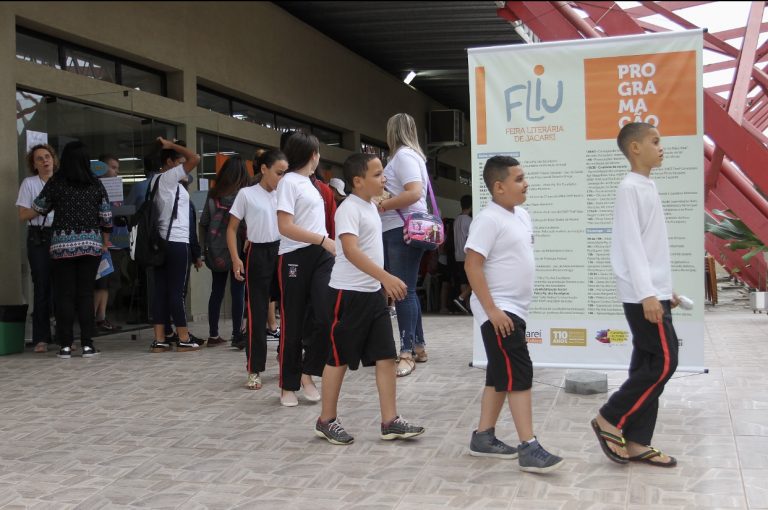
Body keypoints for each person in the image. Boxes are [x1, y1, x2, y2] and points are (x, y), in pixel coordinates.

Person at [315, 153, 425, 444]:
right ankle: (326, 420)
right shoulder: (348, 209)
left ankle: (390, 421)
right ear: (357, 181)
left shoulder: (371, 206)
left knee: (386, 357)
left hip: (373, 294)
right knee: (337, 358)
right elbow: (350, 250)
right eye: (377, 174)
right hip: (347, 295)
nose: (384, 179)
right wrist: (386, 277)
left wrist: (381, 282)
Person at [464, 155, 564, 473]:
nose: (526, 183)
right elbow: (472, 264)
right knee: (520, 374)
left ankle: (483, 437)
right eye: (519, 178)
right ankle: (528, 446)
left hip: (513, 310)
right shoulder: (488, 219)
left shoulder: (522, 215)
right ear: (499, 186)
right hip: (500, 311)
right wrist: (492, 310)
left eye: (524, 177)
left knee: (499, 375)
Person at [591, 122, 680, 468]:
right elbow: (630, 246)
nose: (661, 147)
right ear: (635, 149)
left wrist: (661, 290)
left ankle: (638, 442)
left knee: (646, 363)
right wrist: (647, 294)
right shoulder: (629, 187)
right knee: (665, 362)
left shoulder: (646, 185)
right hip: (641, 295)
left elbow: (650, 248)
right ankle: (610, 418)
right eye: (655, 141)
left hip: (651, 292)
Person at [20, 141, 112, 359]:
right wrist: (104, 240)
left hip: (61, 246)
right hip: (90, 245)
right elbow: (107, 218)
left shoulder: (56, 183)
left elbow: (39, 208)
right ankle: (88, 344)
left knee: (64, 295)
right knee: (85, 294)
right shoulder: (96, 184)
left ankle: (65, 345)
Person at [276, 132, 334, 407]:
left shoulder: (313, 184)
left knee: (325, 318)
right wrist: (323, 239)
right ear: (312, 154)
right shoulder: (288, 182)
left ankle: (308, 372)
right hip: (295, 255)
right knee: (294, 323)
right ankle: (288, 384)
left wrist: (325, 243)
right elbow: (285, 226)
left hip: (322, 255)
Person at [374, 113, 430, 377]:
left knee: (401, 292)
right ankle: (418, 345)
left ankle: (405, 352)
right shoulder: (414, 155)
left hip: (401, 230)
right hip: (406, 229)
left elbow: (414, 192)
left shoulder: (404, 156)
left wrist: (382, 204)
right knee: (409, 290)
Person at [229, 150, 287, 390]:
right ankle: (254, 368)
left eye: (285, 173)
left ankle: (286, 359)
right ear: (264, 169)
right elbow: (232, 229)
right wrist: (235, 259)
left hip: (284, 252)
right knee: (257, 312)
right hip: (258, 254)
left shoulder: (286, 194)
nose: (282, 178)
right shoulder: (246, 194)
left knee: (290, 309)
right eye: (278, 173)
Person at [147, 138, 202, 353]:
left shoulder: (155, 180)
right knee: (176, 292)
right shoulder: (169, 178)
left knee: (160, 291)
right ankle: (183, 337)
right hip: (177, 241)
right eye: (179, 162)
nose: (184, 167)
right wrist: (172, 145)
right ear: (170, 162)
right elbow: (195, 158)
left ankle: (159, 339)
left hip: (160, 242)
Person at [199, 156, 249, 347]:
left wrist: (203, 250)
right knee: (238, 292)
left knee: (216, 291)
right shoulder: (244, 194)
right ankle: (237, 334)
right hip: (238, 249)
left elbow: (203, 223)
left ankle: (213, 335)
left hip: (216, 250)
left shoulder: (213, 195)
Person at [16, 144, 58, 353]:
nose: (45, 161)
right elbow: (22, 215)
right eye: (39, 159)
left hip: (60, 234)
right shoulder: (29, 183)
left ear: (53, 159)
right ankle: (41, 337)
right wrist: (41, 207)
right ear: (34, 164)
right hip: (38, 236)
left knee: (62, 286)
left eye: (47, 157)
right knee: (42, 286)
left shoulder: (62, 182)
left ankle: (63, 335)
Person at [93, 153, 123, 333]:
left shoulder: (115, 190)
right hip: (98, 241)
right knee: (99, 282)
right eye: (112, 167)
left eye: (117, 169)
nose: (115, 172)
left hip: (115, 242)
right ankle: (90, 318)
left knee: (110, 283)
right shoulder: (94, 188)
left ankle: (101, 317)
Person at [452, 194, 473, 314]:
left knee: (464, 281)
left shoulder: (456, 220)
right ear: (471, 205)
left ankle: (465, 306)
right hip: (467, 255)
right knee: (474, 280)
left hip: (457, 255)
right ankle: (461, 298)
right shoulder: (469, 221)